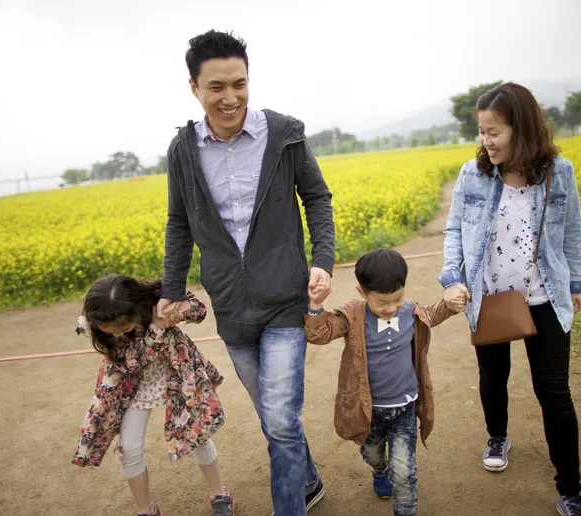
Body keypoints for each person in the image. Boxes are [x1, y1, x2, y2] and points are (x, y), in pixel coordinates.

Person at [155, 30, 335, 516]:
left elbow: (316, 198)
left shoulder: (284, 135)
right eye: (216, 87)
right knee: (273, 415)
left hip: (284, 298)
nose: (230, 97)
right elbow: (178, 221)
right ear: (194, 87)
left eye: (239, 83)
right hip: (231, 307)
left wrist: (322, 260)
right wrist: (172, 289)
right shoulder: (183, 151)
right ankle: (310, 479)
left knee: (278, 418)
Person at [437, 83, 581, 516]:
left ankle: (571, 488)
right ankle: (498, 436)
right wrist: (452, 279)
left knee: (555, 394)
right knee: (493, 375)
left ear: (521, 128)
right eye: (481, 131)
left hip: (544, 297)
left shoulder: (559, 172)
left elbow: (573, 232)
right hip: (489, 296)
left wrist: (576, 283)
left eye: (494, 132)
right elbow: (454, 232)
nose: (485, 141)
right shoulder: (474, 174)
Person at [304, 249, 461, 516]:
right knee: (373, 454)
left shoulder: (410, 311)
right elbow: (319, 332)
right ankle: (379, 469)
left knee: (404, 473)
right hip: (368, 412)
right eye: (382, 303)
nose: (391, 308)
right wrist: (316, 305)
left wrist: (451, 303)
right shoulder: (353, 315)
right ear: (363, 293)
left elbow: (433, 314)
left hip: (405, 409)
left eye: (397, 298)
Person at [72, 274, 234, 516]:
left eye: (123, 328)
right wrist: (157, 329)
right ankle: (146, 510)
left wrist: (181, 308)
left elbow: (199, 311)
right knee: (129, 447)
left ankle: (219, 493)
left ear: (137, 309)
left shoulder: (156, 298)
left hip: (176, 371)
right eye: (109, 331)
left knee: (196, 433)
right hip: (132, 384)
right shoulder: (102, 329)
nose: (116, 335)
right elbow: (132, 363)